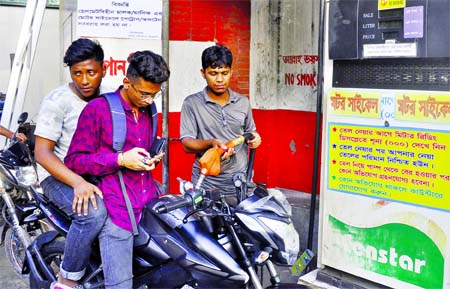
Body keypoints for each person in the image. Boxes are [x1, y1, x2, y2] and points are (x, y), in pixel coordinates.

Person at [65, 50, 170, 289]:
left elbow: (140, 152)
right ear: (126, 82)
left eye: (155, 94)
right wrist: (120, 160)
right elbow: (74, 160)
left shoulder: (149, 110)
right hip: (117, 213)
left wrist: (151, 158)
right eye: (144, 93)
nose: (149, 100)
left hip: (148, 206)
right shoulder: (98, 110)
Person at [34, 38, 111, 289]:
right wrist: (77, 182)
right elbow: (42, 153)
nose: (85, 80)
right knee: (93, 214)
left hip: (96, 172)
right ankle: (67, 281)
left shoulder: (110, 96)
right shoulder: (57, 101)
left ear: (104, 69)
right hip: (58, 177)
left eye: (91, 72)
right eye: (77, 73)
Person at [180, 44, 262, 195]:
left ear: (231, 72)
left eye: (224, 73)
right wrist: (211, 143)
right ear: (203, 73)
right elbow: (186, 143)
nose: (219, 79)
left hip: (240, 182)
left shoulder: (243, 102)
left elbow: (251, 131)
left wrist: (255, 138)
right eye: (213, 73)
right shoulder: (191, 103)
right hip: (207, 183)